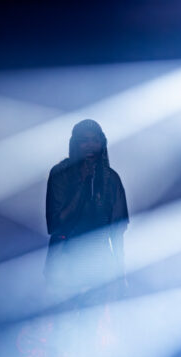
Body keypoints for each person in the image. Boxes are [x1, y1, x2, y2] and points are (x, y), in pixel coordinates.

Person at [45, 119, 129, 293]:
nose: (90, 146)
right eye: (84, 141)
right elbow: (55, 225)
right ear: (75, 144)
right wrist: (82, 184)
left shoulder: (111, 179)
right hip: (64, 263)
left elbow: (116, 231)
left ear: (102, 144)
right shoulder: (60, 174)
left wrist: (121, 274)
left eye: (95, 140)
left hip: (100, 265)